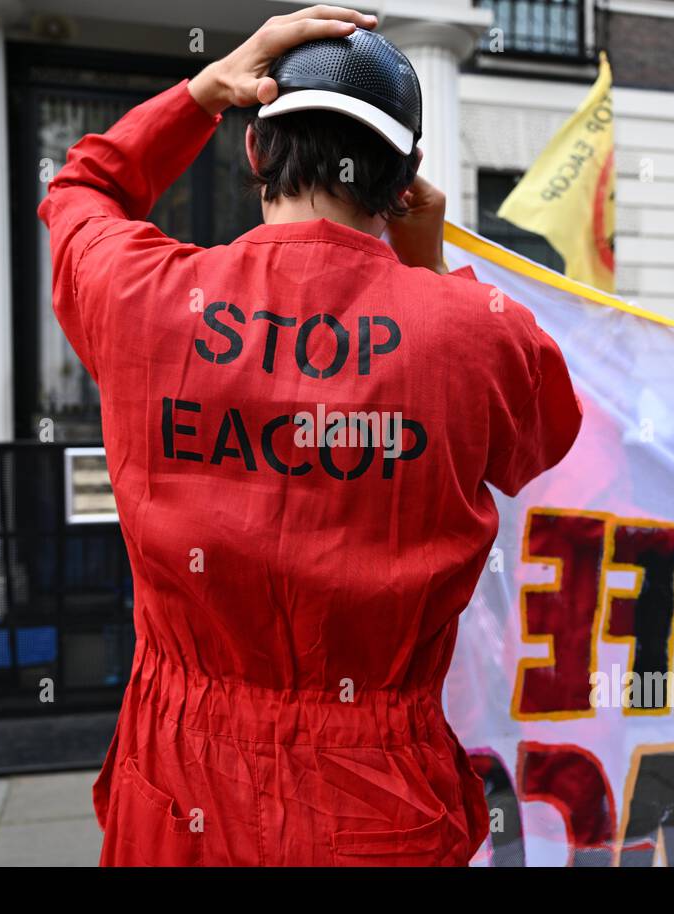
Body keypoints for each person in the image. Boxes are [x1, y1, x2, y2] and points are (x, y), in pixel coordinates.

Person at [40, 6, 582, 866]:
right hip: (378, 802)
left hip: (178, 793)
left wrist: (201, 91)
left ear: (256, 149)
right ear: (404, 183)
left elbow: (78, 190)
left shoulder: (140, 294)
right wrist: (430, 267)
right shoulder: (479, 333)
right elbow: (549, 436)